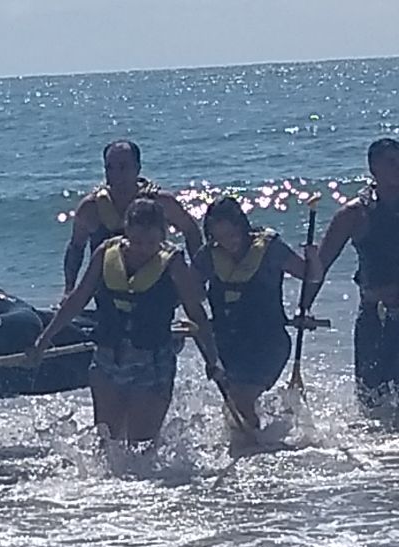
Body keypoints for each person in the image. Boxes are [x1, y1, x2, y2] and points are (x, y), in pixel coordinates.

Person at [33, 198, 225, 445]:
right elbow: (77, 300)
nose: (143, 249)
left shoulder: (173, 263)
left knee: (141, 444)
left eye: (151, 243)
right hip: (108, 359)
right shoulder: (105, 253)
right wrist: (44, 340)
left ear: (163, 236)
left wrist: (212, 359)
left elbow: (196, 313)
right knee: (107, 441)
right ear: (126, 232)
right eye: (137, 242)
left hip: (152, 364)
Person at [192, 196, 322, 428]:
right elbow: (190, 294)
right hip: (228, 344)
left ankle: (257, 441)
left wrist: (314, 258)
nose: (227, 243)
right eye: (219, 238)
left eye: (231, 235)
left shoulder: (270, 249)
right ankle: (258, 441)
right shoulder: (207, 256)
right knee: (233, 406)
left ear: (242, 226)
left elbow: (310, 275)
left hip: (268, 343)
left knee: (241, 400)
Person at [308, 137, 399, 412]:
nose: (398, 167)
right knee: (372, 400)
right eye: (392, 163)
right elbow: (321, 265)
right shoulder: (354, 214)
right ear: (374, 169)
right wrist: (304, 307)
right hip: (376, 314)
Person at [62, 140, 202, 295]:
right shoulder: (91, 208)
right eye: (110, 168)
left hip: (157, 286)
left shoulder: (160, 201)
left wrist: (197, 277)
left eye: (123, 167)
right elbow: (76, 247)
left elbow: (191, 231)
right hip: (110, 289)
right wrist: (69, 289)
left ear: (137, 168)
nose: (116, 174)